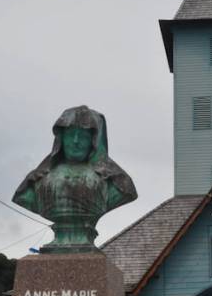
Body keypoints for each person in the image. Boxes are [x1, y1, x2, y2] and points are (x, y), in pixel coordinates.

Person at [13, 105, 137, 251]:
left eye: (83, 136)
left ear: (94, 141)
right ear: (62, 138)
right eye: (71, 134)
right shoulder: (36, 182)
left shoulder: (116, 183)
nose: (76, 141)